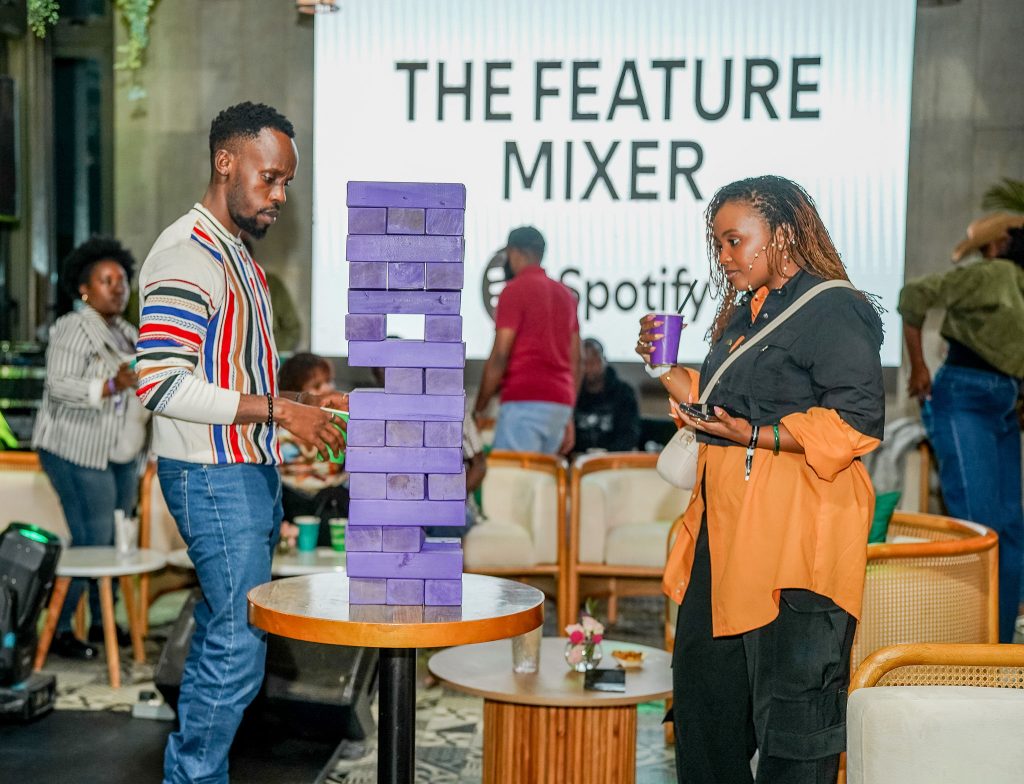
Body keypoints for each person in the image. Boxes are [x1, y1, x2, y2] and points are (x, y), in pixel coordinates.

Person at [637, 175, 884, 783]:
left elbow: (856, 422)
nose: (724, 257)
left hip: (793, 546)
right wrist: (663, 366)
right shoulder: (744, 314)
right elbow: (720, 405)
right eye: (718, 244)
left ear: (784, 233)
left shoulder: (834, 307)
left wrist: (754, 435)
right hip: (723, 540)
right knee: (703, 713)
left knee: (793, 729)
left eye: (734, 241)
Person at [135, 102, 347, 784]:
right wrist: (282, 410)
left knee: (229, 634)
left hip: (241, 471)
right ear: (225, 161)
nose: (279, 194)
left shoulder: (237, 256)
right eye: (270, 177)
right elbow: (159, 382)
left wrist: (303, 405)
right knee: (235, 647)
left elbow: (231, 377)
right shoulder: (187, 253)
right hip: (211, 475)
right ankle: (193, 777)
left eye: (286, 182)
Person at [898, 212, 1024, 642]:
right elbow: (914, 294)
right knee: (982, 529)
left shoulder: (1013, 280)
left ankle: (996, 652)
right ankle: (971, 650)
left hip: (1000, 405)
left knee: (1008, 531)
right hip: (966, 399)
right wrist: (918, 367)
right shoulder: (994, 274)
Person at [32, 236, 151, 660]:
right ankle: (58, 629)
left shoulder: (129, 333)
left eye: (122, 280)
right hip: (76, 449)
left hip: (120, 454)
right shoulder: (73, 326)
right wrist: (111, 384)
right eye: (106, 280)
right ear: (84, 289)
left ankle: (103, 622)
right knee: (94, 538)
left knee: (116, 539)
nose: (118, 288)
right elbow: (59, 385)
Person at [473, 226, 580, 455]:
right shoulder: (566, 295)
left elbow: (500, 356)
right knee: (541, 478)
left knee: (511, 477)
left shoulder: (513, 291)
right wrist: (568, 413)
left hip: (525, 402)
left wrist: (479, 409)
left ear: (514, 252)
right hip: (559, 407)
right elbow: (575, 360)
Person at [277, 352, 349, 546]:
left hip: (332, 506)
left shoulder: (340, 423)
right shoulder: (279, 432)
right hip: (292, 507)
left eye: (329, 381)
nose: (327, 389)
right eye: (317, 386)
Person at [572, 337, 641, 453]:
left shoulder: (623, 393)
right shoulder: (572, 393)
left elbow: (629, 434)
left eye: (594, 361)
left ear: (604, 360)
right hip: (577, 459)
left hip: (613, 459)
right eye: (584, 362)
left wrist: (606, 454)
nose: (589, 367)